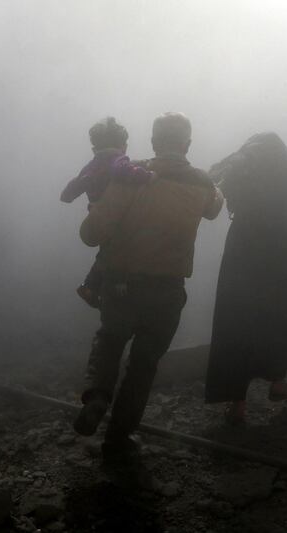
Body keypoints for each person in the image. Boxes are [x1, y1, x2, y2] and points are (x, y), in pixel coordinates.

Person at [73, 112, 224, 471]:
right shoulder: (202, 184)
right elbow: (216, 209)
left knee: (109, 342)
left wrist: (96, 208)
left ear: (154, 142)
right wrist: (216, 181)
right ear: (187, 145)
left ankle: (96, 398)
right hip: (168, 292)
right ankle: (118, 439)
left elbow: (90, 235)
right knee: (143, 367)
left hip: (121, 286)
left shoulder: (129, 175)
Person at [204, 133, 287, 425]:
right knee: (281, 314)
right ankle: (278, 381)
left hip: (243, 251)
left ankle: (238, 402)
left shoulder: (242, 169)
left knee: (238, 320)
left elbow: (213, 183)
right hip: (283, 252)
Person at [60, 117, 153, 308]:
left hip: (97, 215)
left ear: (94, 148)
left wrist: (75, 187)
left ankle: (91, 285)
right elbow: (123, 170)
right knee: (120, 248)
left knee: (107, 250)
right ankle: (117, 284)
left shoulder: (90, 166)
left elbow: (67, 195)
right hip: (117, 215)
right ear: (122, 145)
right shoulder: (118, 160)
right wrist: (148, 175)